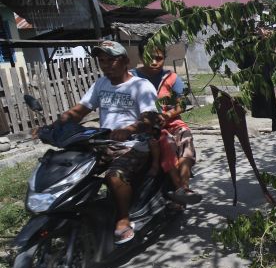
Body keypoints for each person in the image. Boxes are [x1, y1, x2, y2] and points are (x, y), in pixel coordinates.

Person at [57, 41, 158, 244]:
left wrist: (129, 130)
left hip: (134, 145)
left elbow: (150, 118)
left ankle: (123, 218)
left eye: (111, 60)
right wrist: (54, 126)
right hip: (103, 143)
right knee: (70, 169)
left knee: (114, 176)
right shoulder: (100, 84)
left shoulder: (141, 85)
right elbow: (79, 110)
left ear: (125, 61)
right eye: (102, 61)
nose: (106, 65)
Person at [135, 40, 201, 206]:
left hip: (171, 122)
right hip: (146, 126)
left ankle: (185, 187)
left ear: (164, 58)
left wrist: (168, 114)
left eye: (159, 58)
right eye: (149, 57)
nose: (154, 62)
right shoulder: (132, 78)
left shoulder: (171, 78)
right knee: (167, 143)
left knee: (186, 139)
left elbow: (183, 102)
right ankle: (179, 186)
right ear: (141, 56)